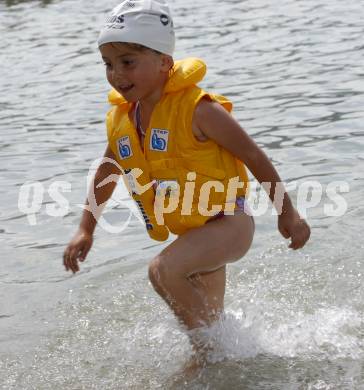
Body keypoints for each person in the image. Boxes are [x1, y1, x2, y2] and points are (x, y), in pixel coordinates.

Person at [63, 0, 310, 365]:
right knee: (204, 343)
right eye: (108, 64)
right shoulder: (126, 120)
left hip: (227, 223)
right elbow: (107, 171)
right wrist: (86, 229)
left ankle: (221, 355)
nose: (116, 74)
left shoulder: (199, 109)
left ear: (165, 62)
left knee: (162, 271)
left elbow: (254, 156)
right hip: (193, 234)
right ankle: (224, 364)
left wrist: (288, 214)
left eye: (128, 62)